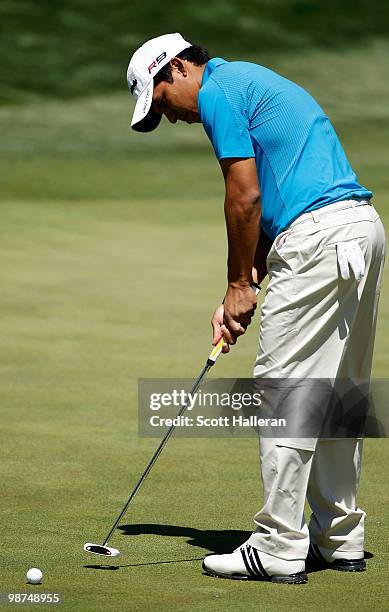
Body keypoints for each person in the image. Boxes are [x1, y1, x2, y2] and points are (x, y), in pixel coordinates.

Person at [126, 33, 386, 584]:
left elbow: (243, 195)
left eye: (160, 102)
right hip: (358, 231)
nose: (168, 119)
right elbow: (275, 196)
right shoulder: (247, 79)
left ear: (175, 69)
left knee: (286, 390)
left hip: (318, 237)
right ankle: (339, 537)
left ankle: (278, 546)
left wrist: (238, 283)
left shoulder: (219, 90)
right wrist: (245, 285)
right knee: (339, 392)